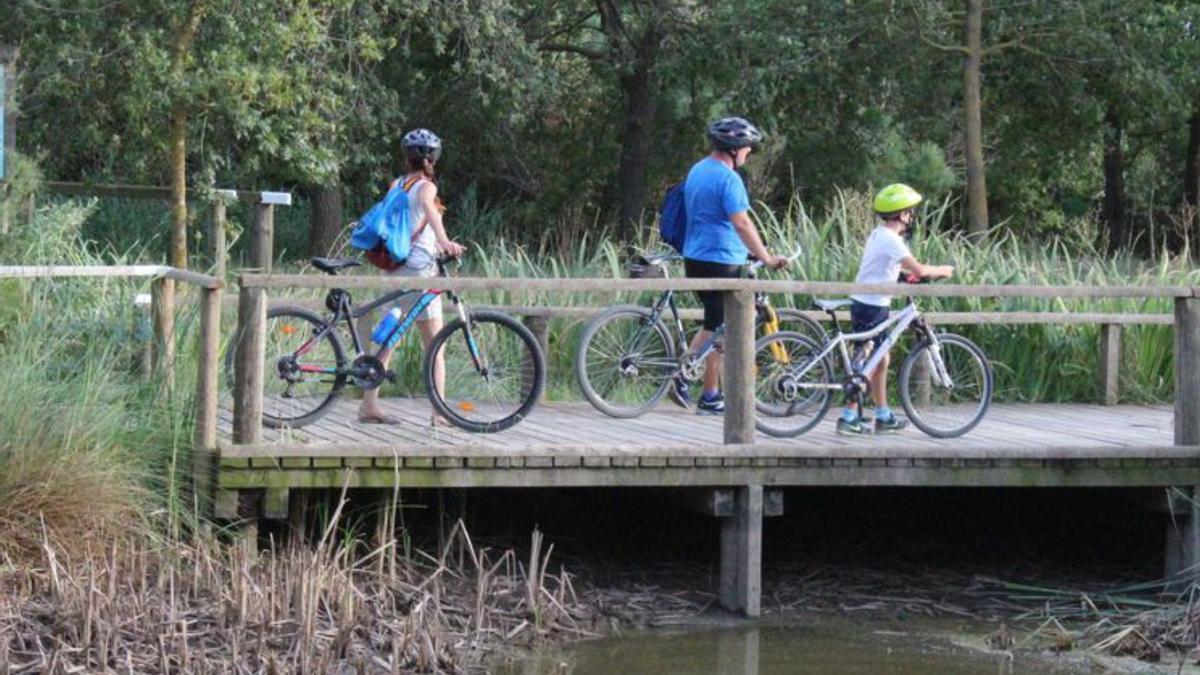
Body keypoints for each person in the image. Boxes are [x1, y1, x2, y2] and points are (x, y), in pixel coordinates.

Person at [669, 117, 790, 415]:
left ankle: (709, 393)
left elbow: (708, 216)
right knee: (725, 327)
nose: (749, 151)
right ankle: (683, 376)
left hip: (695, 257)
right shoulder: (729, 179)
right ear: (734, 148)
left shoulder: (698, 169)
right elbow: (742, 223)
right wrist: (766, 257)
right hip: (721, 260)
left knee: (716, 325)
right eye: (747, 146)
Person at [358, 128, 467, 425]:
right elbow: (431, 216)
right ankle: (439, 412)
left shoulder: (398, 184)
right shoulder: (426, 187)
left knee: (389, 338)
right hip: (420, 271)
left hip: (395, 267)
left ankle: (369, 405)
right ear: (433, 157)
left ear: (407, 157)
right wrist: (446, 243)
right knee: (436, 344)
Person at [837, 183, 953, 434]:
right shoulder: (892, 240)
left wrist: (901, 275)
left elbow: (883, 267)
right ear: (901, 214)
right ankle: (848, 416)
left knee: (881, 358)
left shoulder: (879, 234)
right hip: (872, 305)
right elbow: (920, 269)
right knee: (868, 358)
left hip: (869, 302)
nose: (912, 217)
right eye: (910, 212)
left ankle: (882, 413)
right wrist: (943, 270)